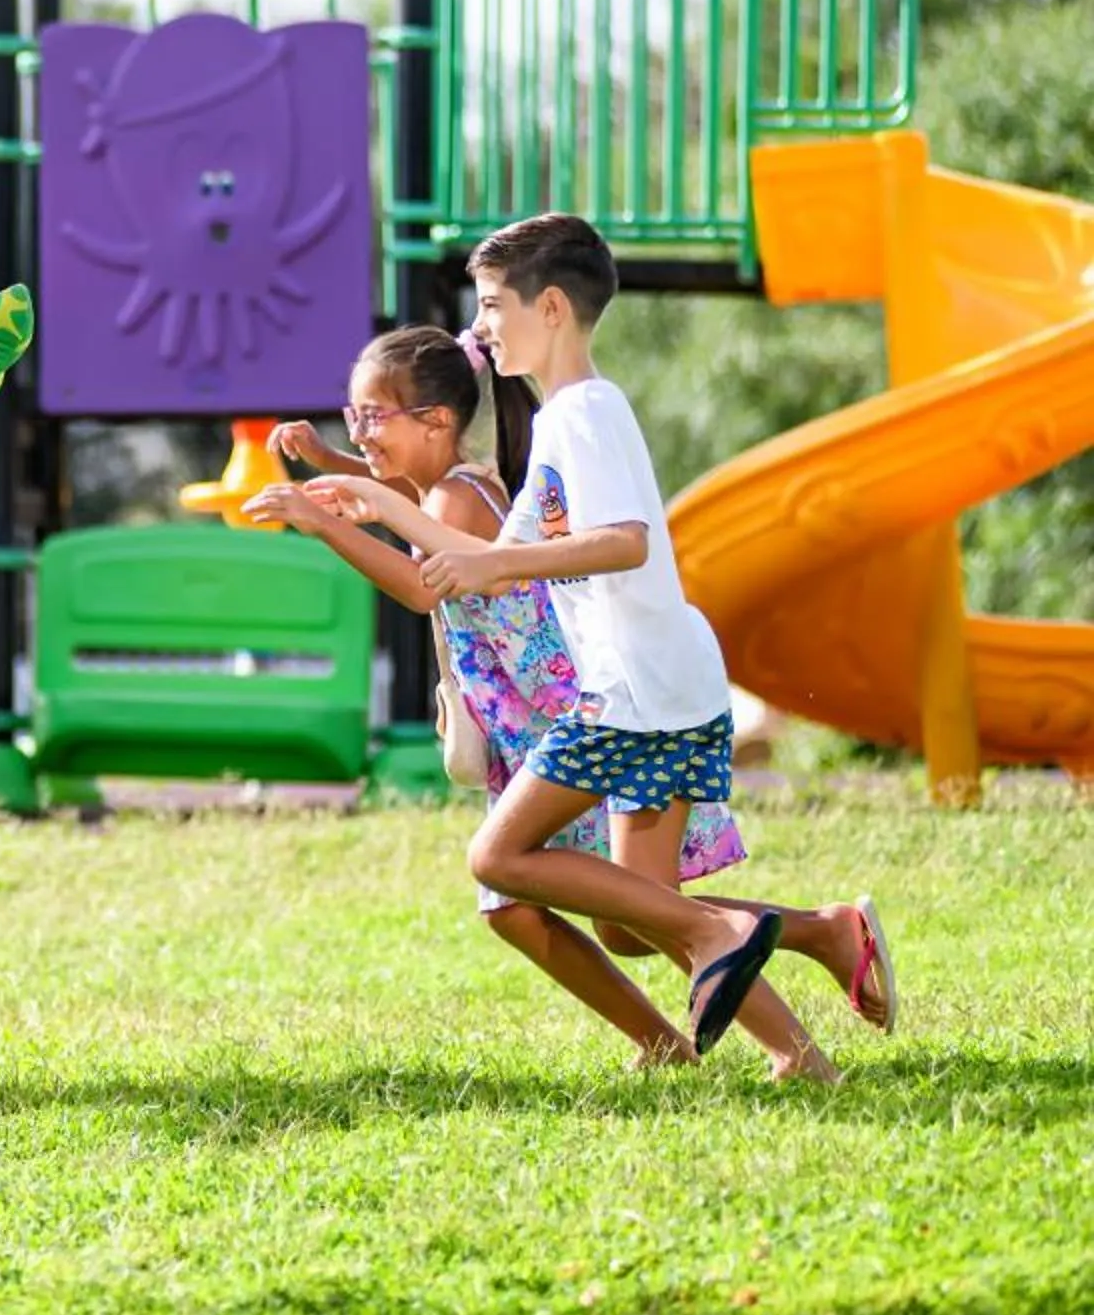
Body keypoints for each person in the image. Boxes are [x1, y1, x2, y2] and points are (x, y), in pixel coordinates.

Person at [289, 216, 898, 1067]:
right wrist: (369, 501)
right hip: (662, 685)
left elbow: (625, 542)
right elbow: (491, 565)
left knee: (499, 857)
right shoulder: (562, 421)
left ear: (550, 308)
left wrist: (448, 544)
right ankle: (815, 1002)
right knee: (625, 918)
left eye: (494, 305)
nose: (484, 326)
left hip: (632, 693)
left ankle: (727, 934)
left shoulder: (584, 414)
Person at [253, 326, 756, 1070]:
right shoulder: (444, 486)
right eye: (351, 418)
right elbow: (398, 495)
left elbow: (421, 589)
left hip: (556, 715)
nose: (359, 435)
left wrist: (323, 522)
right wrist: (332, 465)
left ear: (437, 421)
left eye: (371, 419)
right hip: (525, 721)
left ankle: (808, 944)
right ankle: (671, 1038)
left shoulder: (459, 499)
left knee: (627, 912)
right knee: (538, 911)